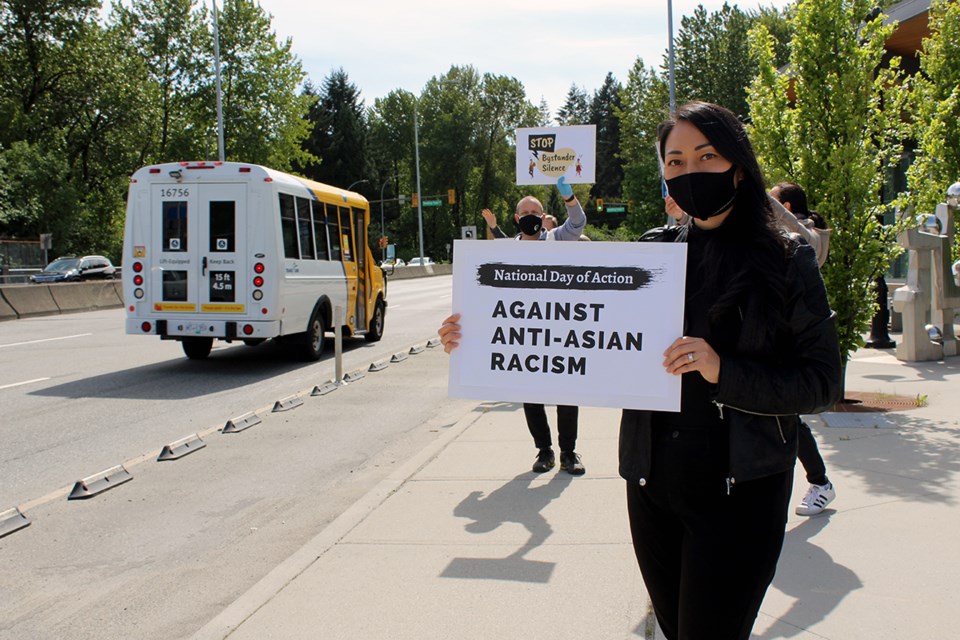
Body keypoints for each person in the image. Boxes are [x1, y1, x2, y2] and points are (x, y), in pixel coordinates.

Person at [616, 101, 842, 639]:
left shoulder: (787, 259)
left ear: (738, 167)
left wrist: (724, 371)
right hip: (653, 487)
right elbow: (583, 344)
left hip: (740, 493)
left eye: (706, 155)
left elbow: (822, 383)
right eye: (674, 160)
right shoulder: (651, 255)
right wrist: (481, 337)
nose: (688, 171)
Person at [474, 177, 588, 475]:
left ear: (542, 217)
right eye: (525, 214)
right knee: (532, 396)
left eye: (535, 214)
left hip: (560, 330)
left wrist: (569, 197)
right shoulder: (507, 250)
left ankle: (569, 452)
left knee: (567, 393)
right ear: (516, 218)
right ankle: (544, 450)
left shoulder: (557, 239)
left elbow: (577, 221)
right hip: (525, 336)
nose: (531, 218)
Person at [769, 181, 837, 516]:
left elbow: (805, 243)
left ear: (788, 208)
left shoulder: (807, 237)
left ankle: (820, 482)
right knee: (785, 418)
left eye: (773, 197)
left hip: (794, 343)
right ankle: (819, 481)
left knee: (788, 418)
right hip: (781, 340)